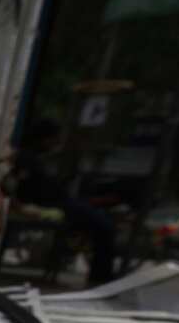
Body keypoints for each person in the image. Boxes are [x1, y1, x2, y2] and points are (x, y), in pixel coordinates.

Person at [12, 118, 116, 285]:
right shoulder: (27, 158)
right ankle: (100, 278)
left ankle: (100, 275)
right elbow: (18, 189)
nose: (55, 143)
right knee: (104, 226)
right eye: (53, 139)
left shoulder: (35, 158)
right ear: (44, 138)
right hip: (53, 204)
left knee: (102, 223)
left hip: (59, 202)